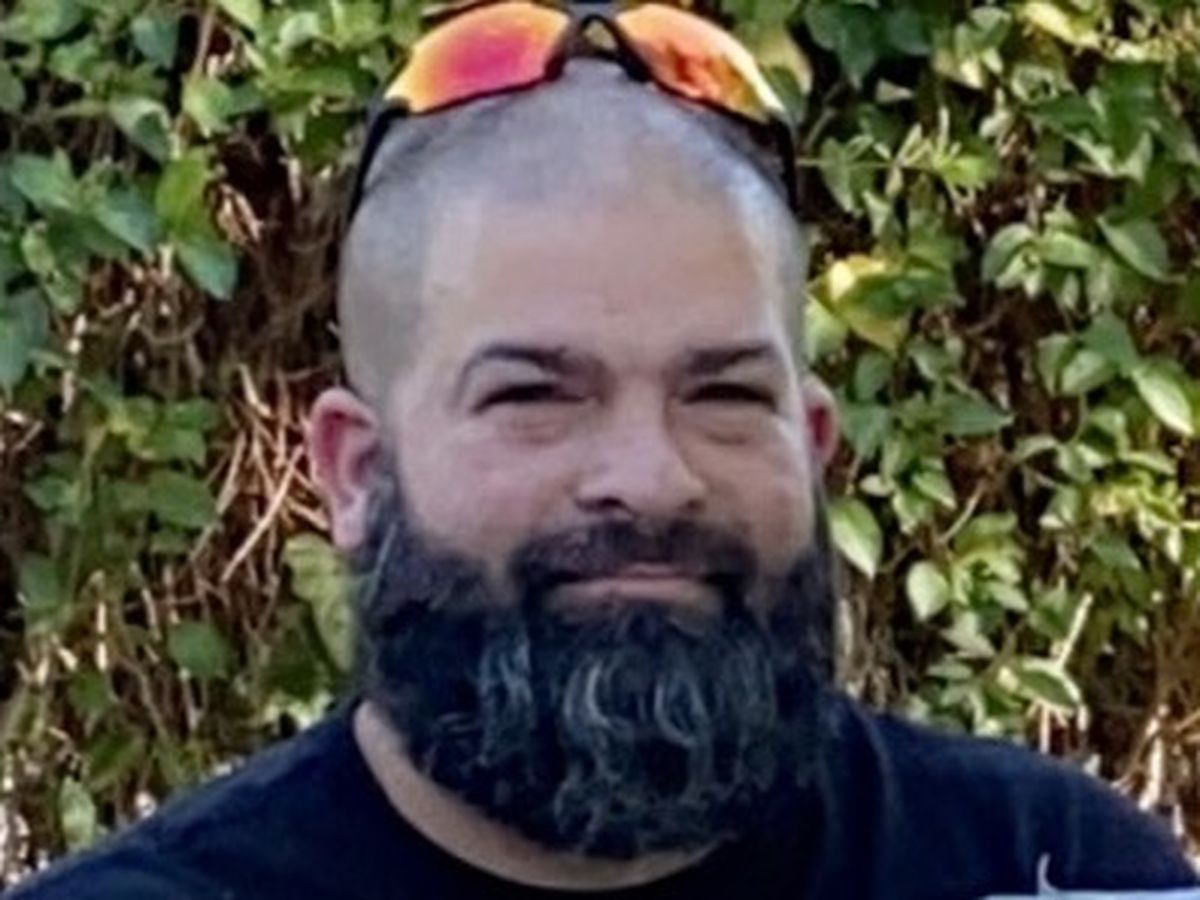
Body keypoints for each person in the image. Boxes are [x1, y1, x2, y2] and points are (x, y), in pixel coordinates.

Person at [12, 3, 1199, 898]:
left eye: (723, 394)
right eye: (536, 395)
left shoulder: (1054, 870)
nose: (650, 475)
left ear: (813, 444)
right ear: (356, 473)